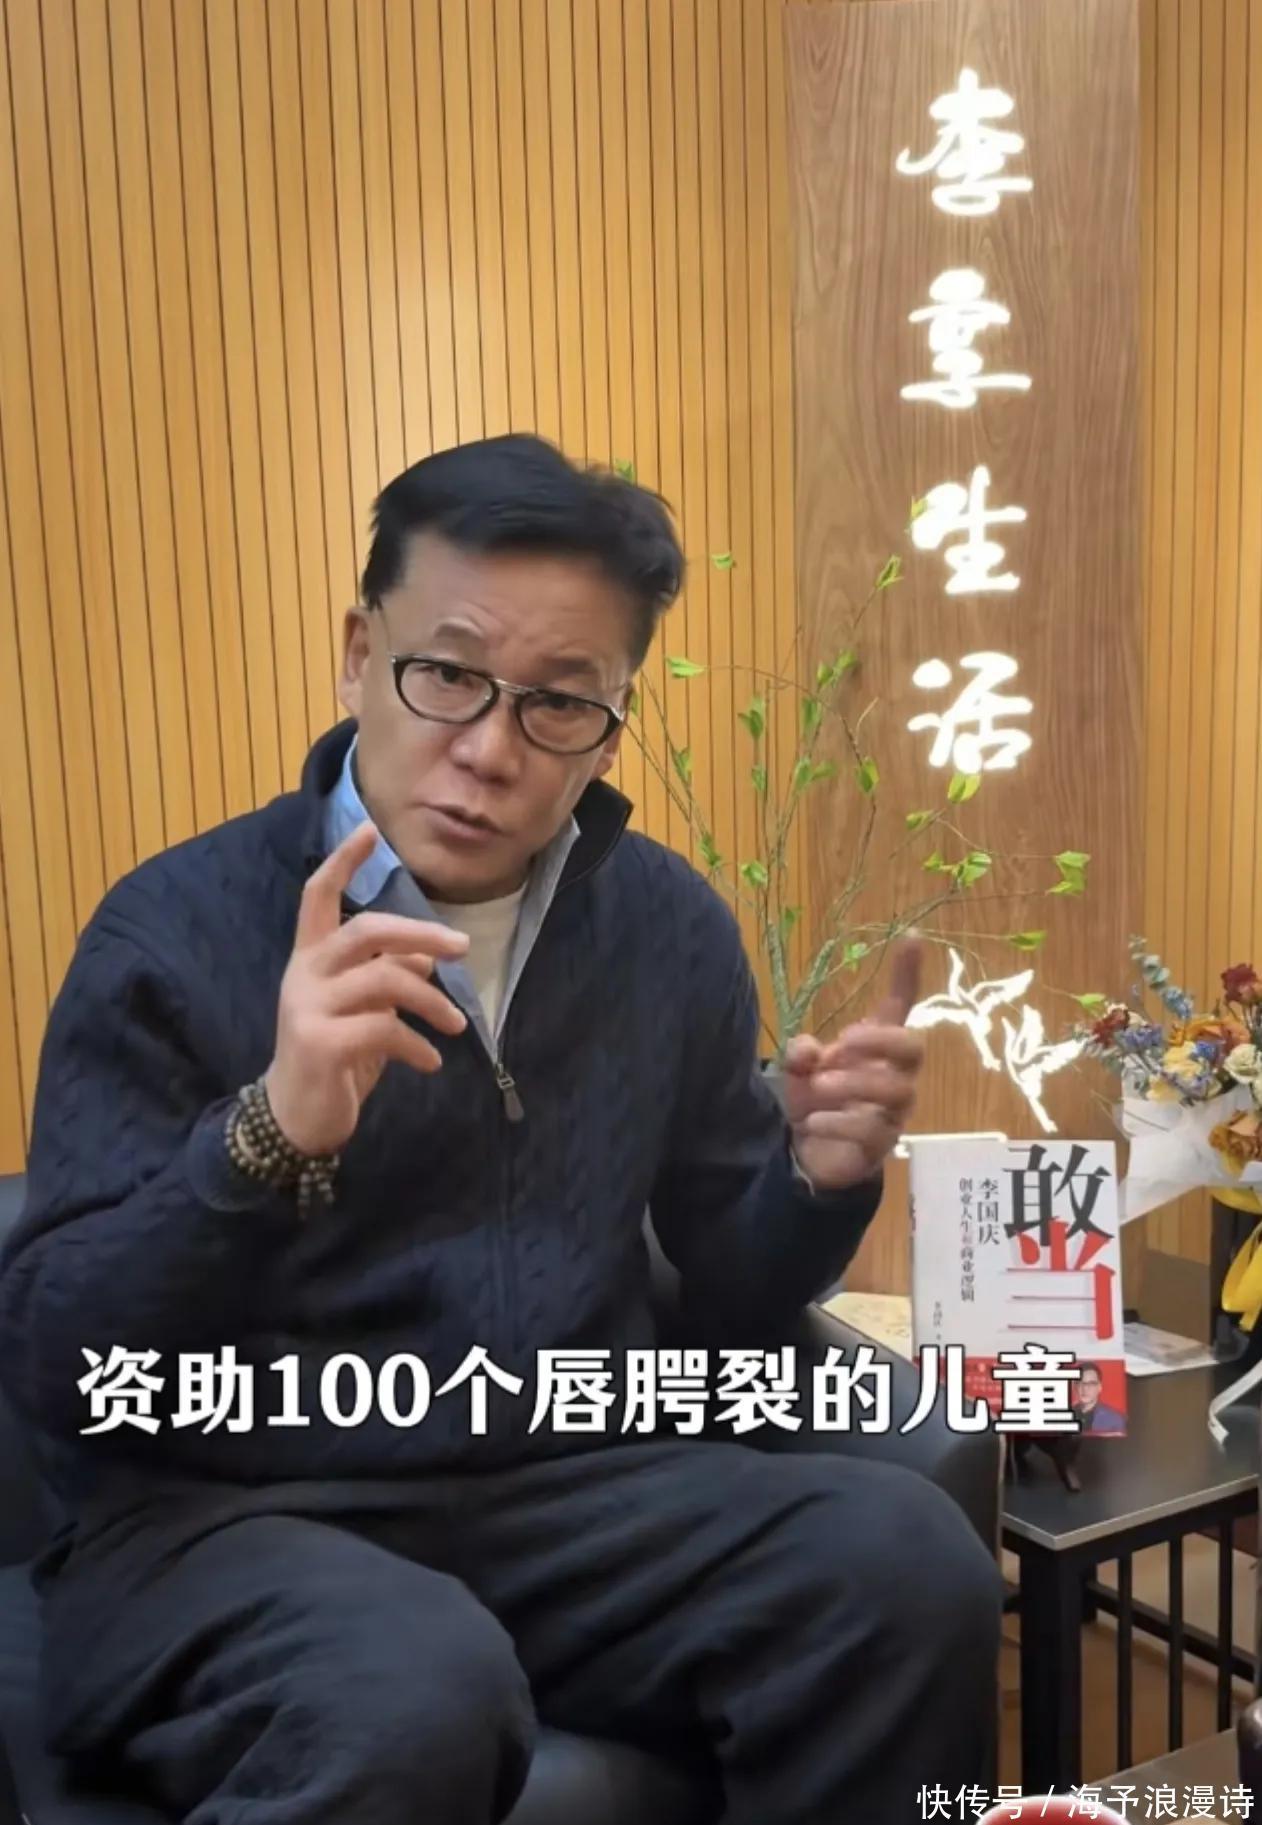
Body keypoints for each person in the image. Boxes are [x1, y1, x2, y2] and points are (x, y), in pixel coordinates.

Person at [0, 435, 1001, 1825]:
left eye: (557, 703)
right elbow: (61, 1361)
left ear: (613, 720)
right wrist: (266, 1135)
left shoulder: (664, 928)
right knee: (411, 1682)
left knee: (904, 1561)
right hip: (218, 1518)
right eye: (447, 676)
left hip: (563, 1491)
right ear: (359, 654)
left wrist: (815, 1181)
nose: (488, 749)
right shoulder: (171, 930)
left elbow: (730, 1294)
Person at [1075, 1361, 1126, 1434]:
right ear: (1075, 1386)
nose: (1085, 1388)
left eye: (1091, 1383)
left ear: (1099, 1387)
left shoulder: (1115, 1420)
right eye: (1080, 1383)